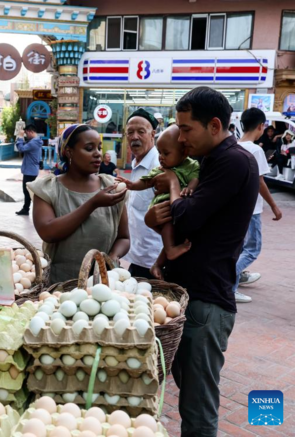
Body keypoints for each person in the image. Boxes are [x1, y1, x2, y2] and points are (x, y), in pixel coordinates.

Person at [145, 86, 258, 437]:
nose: (180, 137)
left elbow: (188, 217)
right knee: (190, 398)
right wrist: (157, 216)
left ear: (213, 125)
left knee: (198, 407)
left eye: (186, 128)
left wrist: (173, 196)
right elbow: (174, 215)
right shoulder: (210, 161)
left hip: (208, 300)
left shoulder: (233, 161)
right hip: (192, 295)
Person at [29, 124, 129, 283]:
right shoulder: (49, 189)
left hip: (102, 285)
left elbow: (124, 238)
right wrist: (93, 203)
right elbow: (48, 232)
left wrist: (112, 257)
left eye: (99, 147)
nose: (98, 154)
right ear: (69, 152)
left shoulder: (111, 187)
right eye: (89, 148)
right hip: (58, 286)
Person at [117, 125, 199, 263]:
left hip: (178, 209)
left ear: (184, 152)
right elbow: (146, 181)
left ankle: (165, 255)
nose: (161, 157)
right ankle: (170, 249)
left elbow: (195, 177)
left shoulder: (191, 165)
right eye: (160, 152)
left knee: (172, 230)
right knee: (167, 225)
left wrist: (190, 187)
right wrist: (132, 185)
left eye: (166, 153)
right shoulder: (160, 169)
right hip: (163, 208)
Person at [231, 108, 283, 303]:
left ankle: (234, 279)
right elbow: (260, 182)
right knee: (252, 249)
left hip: (237, 208)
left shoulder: (235, 146)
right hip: (251, 209)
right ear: (261, 126)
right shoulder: (256, 149)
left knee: (240, 247)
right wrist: (274, 207)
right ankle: (230, 284)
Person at [122, 108, 163, 279]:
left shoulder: (159, 166)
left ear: (152, 134)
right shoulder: (137, 162)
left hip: (154, 260)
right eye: (130, 132)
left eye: (141, 132)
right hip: (138, 255)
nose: (134, 137)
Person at [15, 124, 43, 216]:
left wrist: (20, 137)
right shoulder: (36, 141)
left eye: (26, 133)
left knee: (27, 191)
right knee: (29, 191)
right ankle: (27, 208)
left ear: (31, 132)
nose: (26, 135)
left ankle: (27, 209)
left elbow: (21, 149)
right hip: (31, 170)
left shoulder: (34, 142)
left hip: (30, 171)